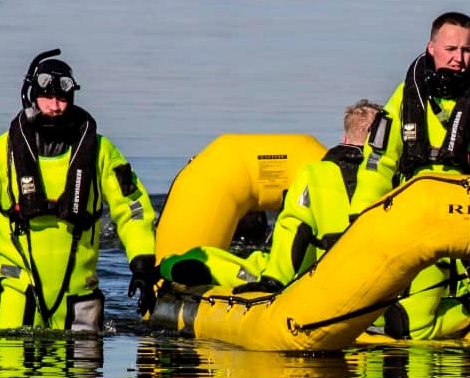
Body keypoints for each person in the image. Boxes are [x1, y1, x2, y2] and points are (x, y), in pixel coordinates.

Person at [0, 49, 158, 331]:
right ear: (32, 96)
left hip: (79, 296)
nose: (55, 106)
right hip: (17, 290)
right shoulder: (1, 151)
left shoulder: (101, 152)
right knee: (9, 351)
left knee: (84, 356)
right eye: (48, 97)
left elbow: (133, 210)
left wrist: (142, 266)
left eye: (62, 99)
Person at [352, 12, 470, 339]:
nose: (458, 59)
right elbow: (379, 160)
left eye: (467, 50)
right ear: (431, 48)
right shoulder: (405, 97)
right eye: (450, 49)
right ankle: (467, 311)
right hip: (420, 230)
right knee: (410, 325)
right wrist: (361, 215)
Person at [160, 99, 383, 292]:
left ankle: (167, 266)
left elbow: (293, 227)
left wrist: (273, 280)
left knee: (246, 267)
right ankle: (178, 266)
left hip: (305, 279)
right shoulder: (389, 179)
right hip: (363, 280)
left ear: (345, 138)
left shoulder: (315, 174)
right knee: (256, 261)